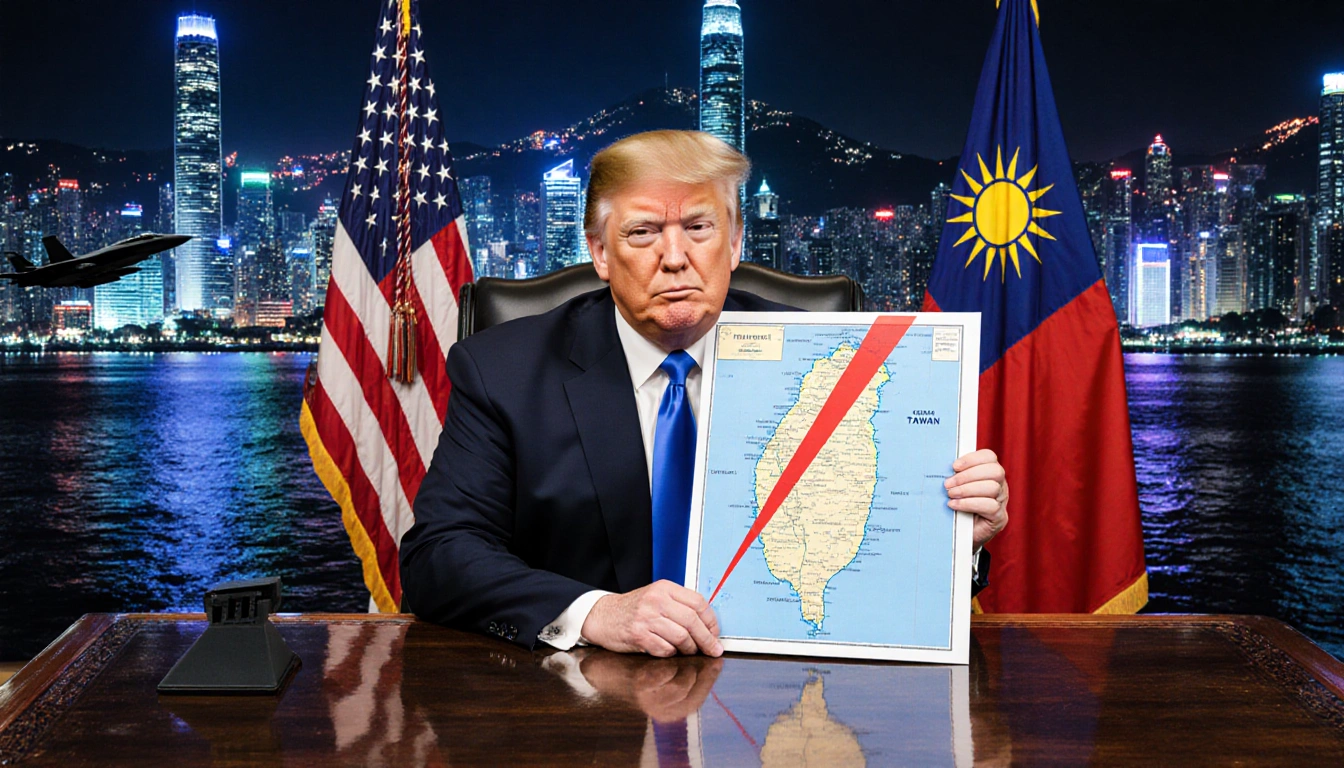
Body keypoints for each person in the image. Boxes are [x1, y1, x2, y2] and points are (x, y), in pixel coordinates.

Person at [400, 130, 1009, 657]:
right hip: (583, 701)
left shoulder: (839, 366)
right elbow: (439, 556)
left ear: (737, 241)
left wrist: (952, 536)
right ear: (600, 253)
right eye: (642, 232)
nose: (675, 258)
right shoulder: (501, 370)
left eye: (699, 227)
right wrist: (594, 613)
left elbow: (874, 557)